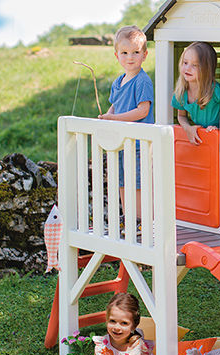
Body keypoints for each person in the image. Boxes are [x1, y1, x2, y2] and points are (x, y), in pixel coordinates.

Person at [99, 25, 154, 218]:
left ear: (144, 55)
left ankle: (139, 219)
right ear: (117, 55)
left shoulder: (142, 81)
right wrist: (107, 117)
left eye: (136, 52)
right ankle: (127, 216)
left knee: (137, 182)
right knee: (122, 181)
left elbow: (143, 110)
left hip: (138, 143)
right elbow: (114, 106)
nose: (130, 57)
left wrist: (115, 119)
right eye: (124, 52)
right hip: (121, 142)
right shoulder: (117, 82)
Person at [171, 41, 220, 145]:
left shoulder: (215, 91)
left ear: (207, 69)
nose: (187, 68)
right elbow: (181, 116)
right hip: (202, 137)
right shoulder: (181, 92)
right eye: (185, 63)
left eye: (194, 65)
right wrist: (187, 128)